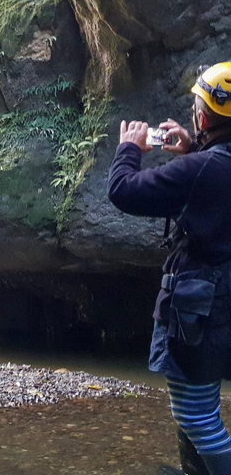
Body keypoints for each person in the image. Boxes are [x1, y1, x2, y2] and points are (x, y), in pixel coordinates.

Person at [108, 62, 231, 475]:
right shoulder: (209, 165)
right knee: (201, 407)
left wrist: (130, 148)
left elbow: (123, 191)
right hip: (222, 308)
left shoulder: (202, 170)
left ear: (203, 115)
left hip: (201, 311)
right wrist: (194, 149)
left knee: (197, 416)